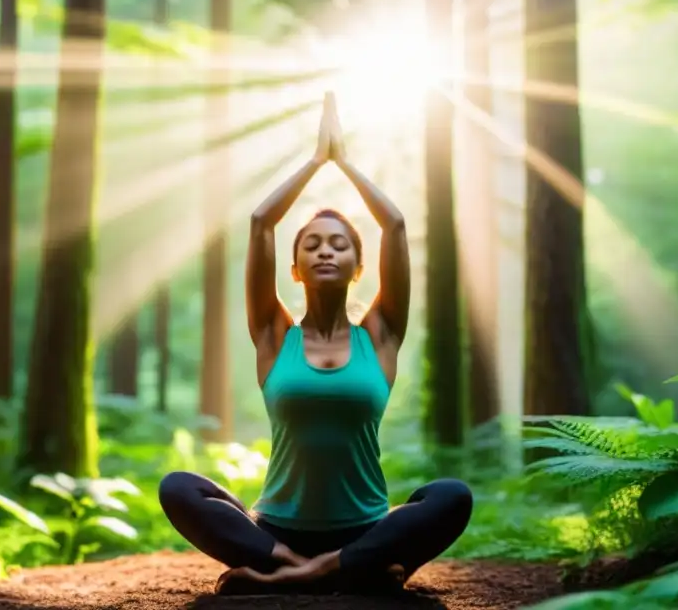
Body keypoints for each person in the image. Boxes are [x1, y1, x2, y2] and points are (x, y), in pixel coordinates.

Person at [158, 92, 473, 594]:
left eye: (339, 243)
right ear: (295, 268)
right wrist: (313, 162)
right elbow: (262, 222)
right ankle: (322, 567)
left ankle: (307, 572)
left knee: (452, 495)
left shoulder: (380, 334)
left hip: (363, 528)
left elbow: (393, 225)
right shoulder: (273, 334)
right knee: (179, 487)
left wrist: (343, 163)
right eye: (312, 244)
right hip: (276, 529)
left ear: (358, 266)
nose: (326, 250)